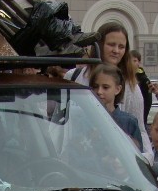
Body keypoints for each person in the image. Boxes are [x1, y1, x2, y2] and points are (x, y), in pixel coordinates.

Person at [65, 22, 151, 154]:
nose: (116, 50)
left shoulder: (130, 86)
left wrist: (146, 159)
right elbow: (62, 121)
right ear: (100, 44)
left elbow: (139, 128)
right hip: (77, 155)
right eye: (111, 44)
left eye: (121, 47)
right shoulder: (74, 77)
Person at [89, 63, 143, 150]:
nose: (99, 91)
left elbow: (137, 156)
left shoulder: (128, 122)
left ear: (118, 89)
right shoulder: (84, 119)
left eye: (105, 87)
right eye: (95, 86)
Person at [129, 49, 153, 124]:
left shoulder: (143, 79)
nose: (132, 63)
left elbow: (147, 101)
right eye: (130, 61)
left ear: (139, 63)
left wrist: (143, 117)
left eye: (135, 60)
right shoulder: (127, 77)